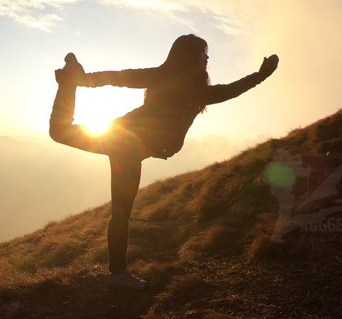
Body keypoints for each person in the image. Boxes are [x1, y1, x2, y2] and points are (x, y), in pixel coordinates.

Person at [49, 34, 278, 290]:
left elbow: (121, 78)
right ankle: (118, 275)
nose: (207, 57)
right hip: (125, 142)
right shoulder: (182, 84)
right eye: (204, 52)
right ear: (190, 56)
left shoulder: (188, 87)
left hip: (123, 138)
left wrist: (85, 80)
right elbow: (122, 78)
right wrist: (260, 76)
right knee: (120, 210)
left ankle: (70, 79)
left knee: (60, 134)